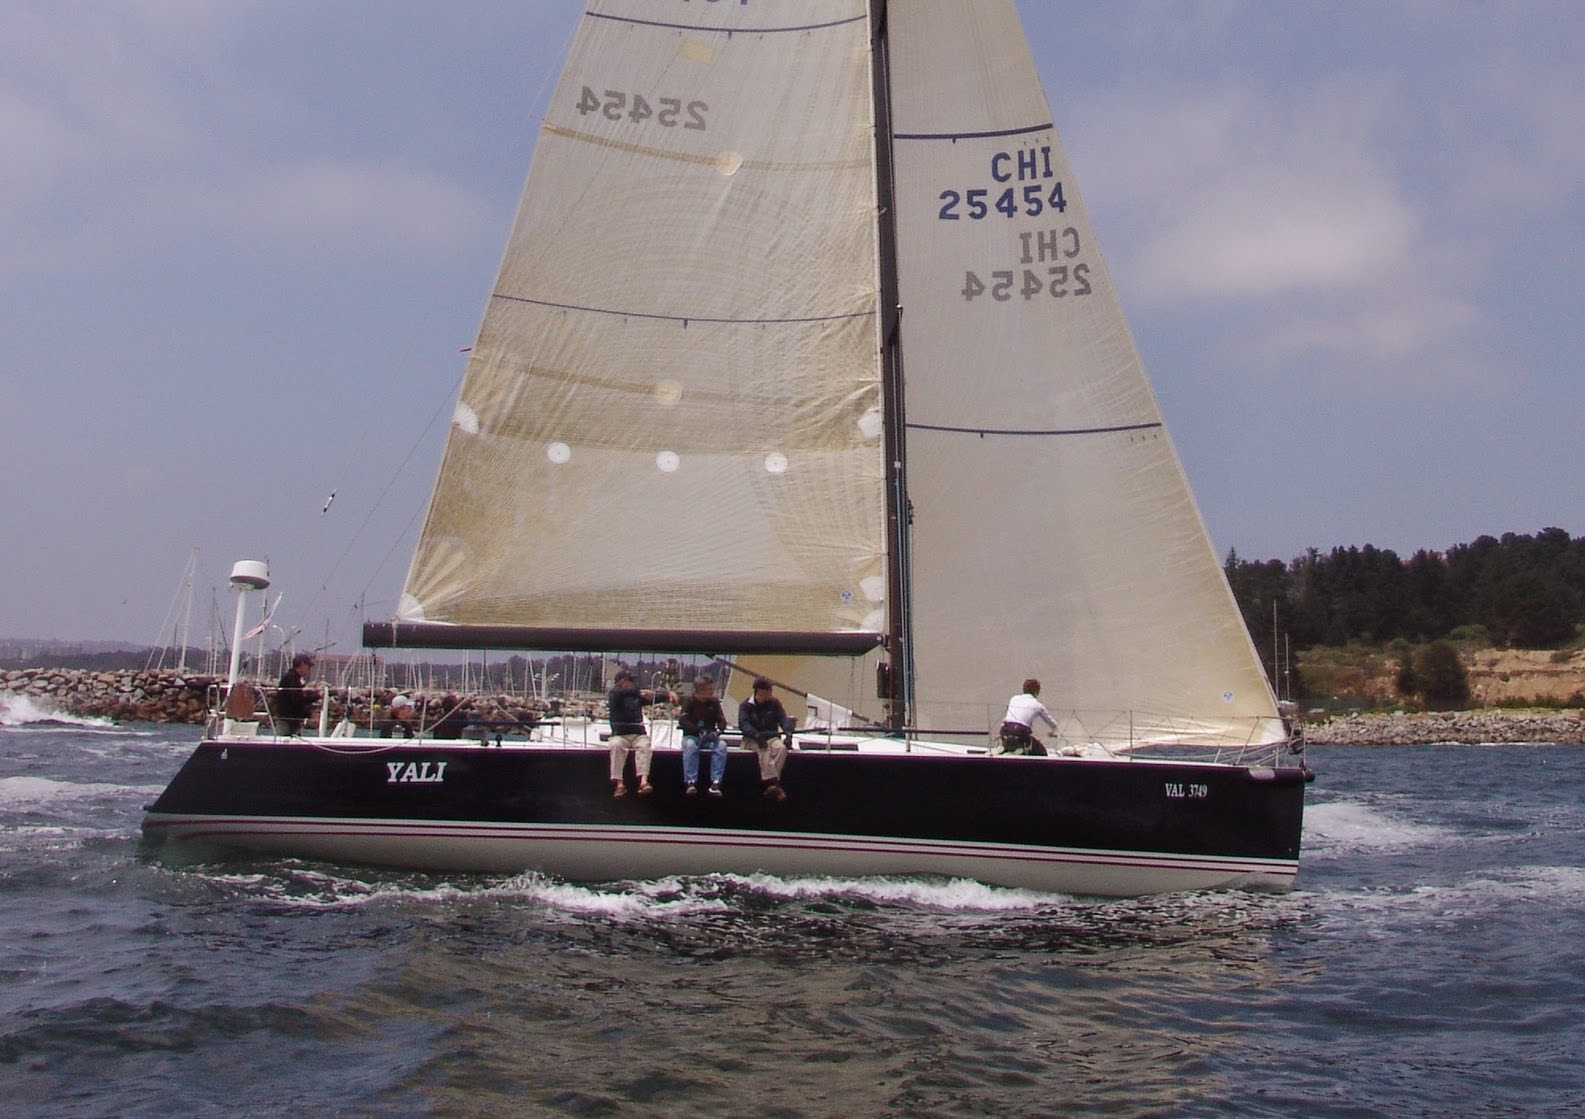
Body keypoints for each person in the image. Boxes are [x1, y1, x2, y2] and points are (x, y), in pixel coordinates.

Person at [607, 670, 676, 797]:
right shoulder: (614, 694)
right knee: (616, 745)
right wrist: (640, 691)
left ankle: (643, 781)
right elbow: (626, 692)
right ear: (622, 682)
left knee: (644, 745)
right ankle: (619, 783)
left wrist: (668, 695)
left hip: (638, 734)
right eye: (630, 681)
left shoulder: (635, 696)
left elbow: (652, 698)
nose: (633, 684)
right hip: (620, 735)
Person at [738, 676, 792, 801]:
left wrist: (788, 733)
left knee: (781, 748)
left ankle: (771, 784)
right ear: (759, 691)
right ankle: (774, 785)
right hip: (752, 739)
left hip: (771, 737)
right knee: (764, 750)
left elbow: (783, 719)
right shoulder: (745, 706)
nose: (770, 691)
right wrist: (756, 736)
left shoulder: (775, 703)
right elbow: (744, 724)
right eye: (768, 689)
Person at [678, 675, 728, 797]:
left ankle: (716, 782)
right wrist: (697, 731)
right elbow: (683, 720)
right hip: (692, 736)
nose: (712, 692)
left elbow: (721, 720)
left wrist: (718, 731)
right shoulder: (689, 701)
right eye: (709, 689)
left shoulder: (714, 702)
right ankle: (691, 781)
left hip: (710, 737)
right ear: (700, 691)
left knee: (721, 746)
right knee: (690, 746)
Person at [997, 678, 1057, 755]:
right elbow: (1053, 724)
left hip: (1005, 732)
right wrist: (1054, 732)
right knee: (1042, 752)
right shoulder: (1038, 705)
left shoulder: (1014, 699)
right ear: (1037, 691)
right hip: (1021, 735)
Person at [274, 654, 315, 736]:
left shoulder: (294, 678)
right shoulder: (292, 678)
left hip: (291, 719)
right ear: (302, 664)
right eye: (308, 666)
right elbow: (297, 699)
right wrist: (316, 697)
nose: (309, 669)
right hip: (287, 720)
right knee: (284, 740)